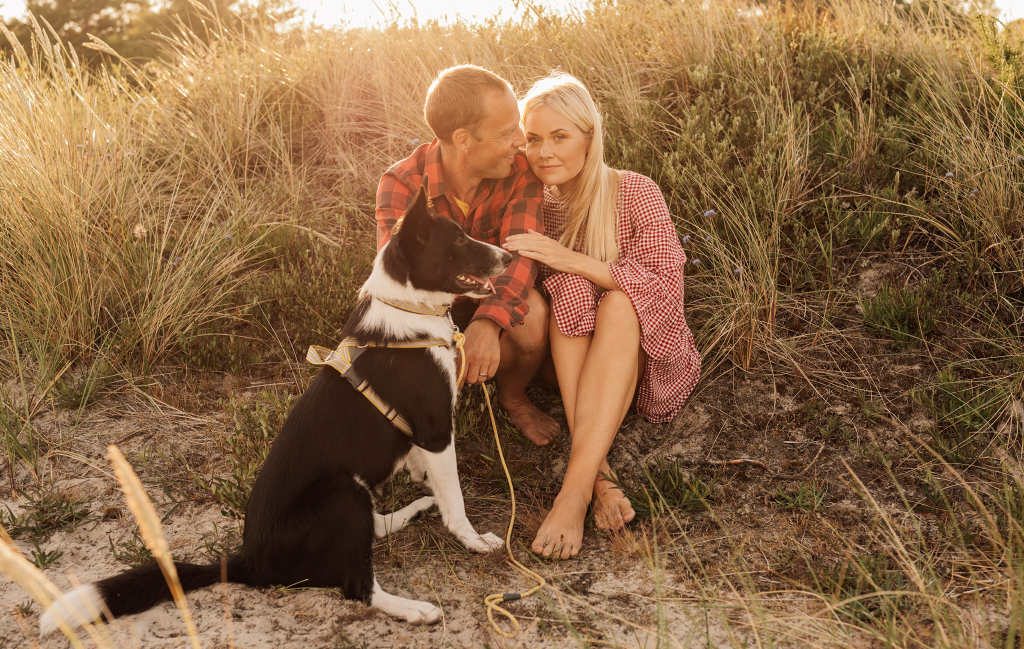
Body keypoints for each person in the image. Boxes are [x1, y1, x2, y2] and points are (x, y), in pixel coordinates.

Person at [503, 74, 702, 559]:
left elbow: (665, 288)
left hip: (637, 359)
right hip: (567, 366)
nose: (544, 151)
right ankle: (598, 477)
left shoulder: (634, 190)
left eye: (560, 136)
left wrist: (573, 259)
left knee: (617, 299)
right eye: (533, 138)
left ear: (589, 136)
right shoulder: (532, 204)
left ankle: (575, 492)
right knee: (568, 289)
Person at [376, 65, 559, 444]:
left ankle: (513, 396)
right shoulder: (403, 183)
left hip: (491, 294)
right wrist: (455, 335)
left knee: (535, 315)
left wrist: (488, 323)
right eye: (508, 132)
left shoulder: (520, 173)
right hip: (428, 308)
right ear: (463, 139)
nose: (522, 141)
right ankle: (435, 401)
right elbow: (402, 280)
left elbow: (522, 255)